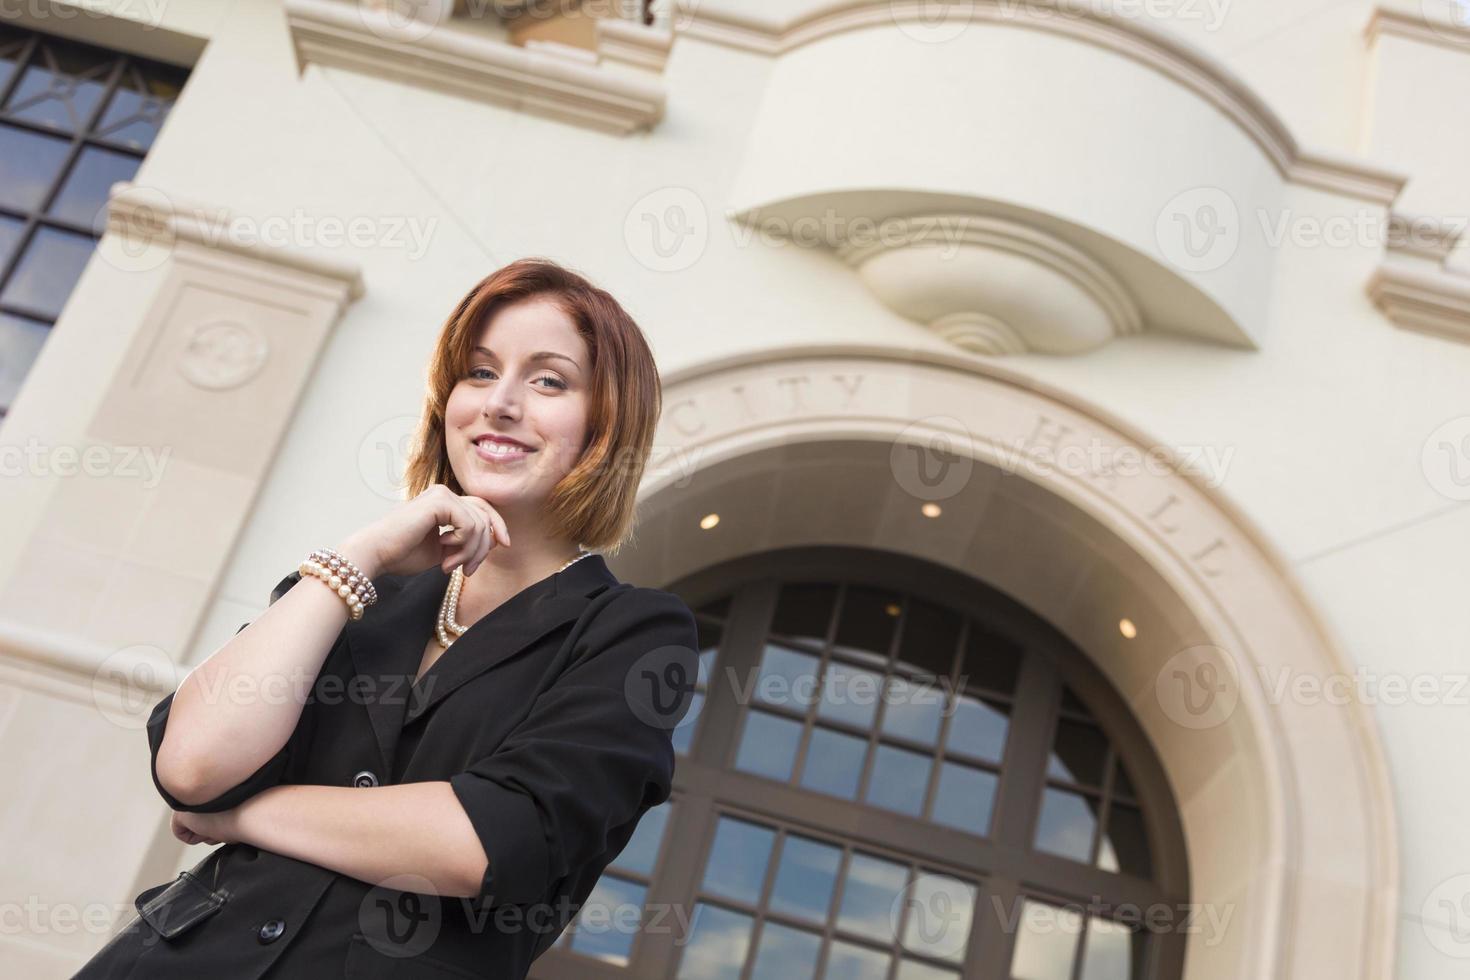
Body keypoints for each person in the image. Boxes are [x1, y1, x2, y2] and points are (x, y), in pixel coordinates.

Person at [73, 257, 700, 979]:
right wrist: (358, 555)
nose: (500, 403)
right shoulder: (351, 591)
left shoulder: (631, 632)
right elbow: (193, 765)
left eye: (549, 380)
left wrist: (242, 818)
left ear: (608, 425)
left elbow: (485, 841)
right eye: (479, 372)